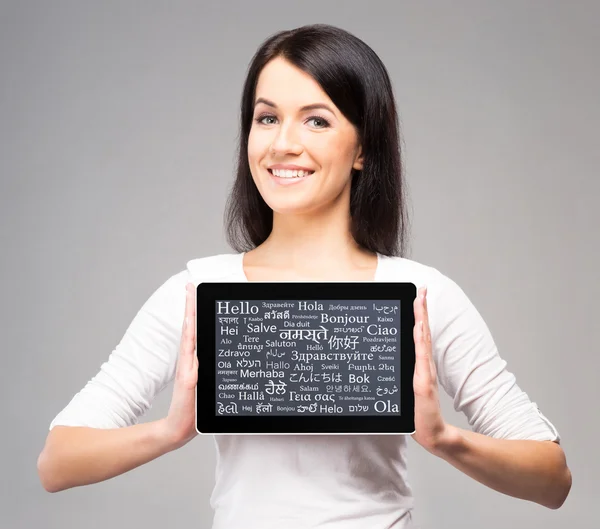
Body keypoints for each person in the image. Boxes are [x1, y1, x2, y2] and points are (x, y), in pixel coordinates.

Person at [37, 23, 571, 528]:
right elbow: (57, 464)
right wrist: (169, 432)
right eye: (267, 117)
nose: (282, 144)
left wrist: (445, 438)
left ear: (363, 148)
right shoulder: (196, 293)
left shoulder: (421, 297)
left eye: (316, 119)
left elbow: (552, 480)